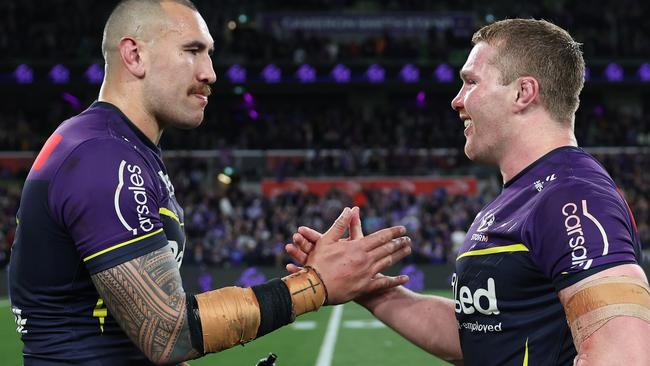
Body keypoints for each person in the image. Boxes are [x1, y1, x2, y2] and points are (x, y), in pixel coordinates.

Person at [7, 1, 413, 365]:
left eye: (210, 55)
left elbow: (124, 339)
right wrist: (315, 284)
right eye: (192, 51)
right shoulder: (102, 156)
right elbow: (166, 333)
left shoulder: (120, 150)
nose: (210, 74)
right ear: (134, 55)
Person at [286, 18, 650, 365]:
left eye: (471, 82)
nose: (457, 100)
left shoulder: (571, 195)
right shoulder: (519, 198)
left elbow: (624, 356)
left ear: (523, 92)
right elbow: (481, 337)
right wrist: (369, 288)